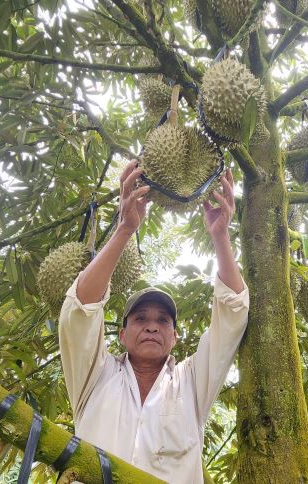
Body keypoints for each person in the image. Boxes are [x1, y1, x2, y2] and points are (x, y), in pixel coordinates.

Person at [58, 160, 249, 483]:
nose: (151, 326)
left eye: (163, 321)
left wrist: (220, 237)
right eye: (140, 319)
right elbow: (80, 310)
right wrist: (124, 229)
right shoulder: (93, 377)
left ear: (174, 337)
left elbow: (232, 314)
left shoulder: (191, 384)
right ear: (122, 334)